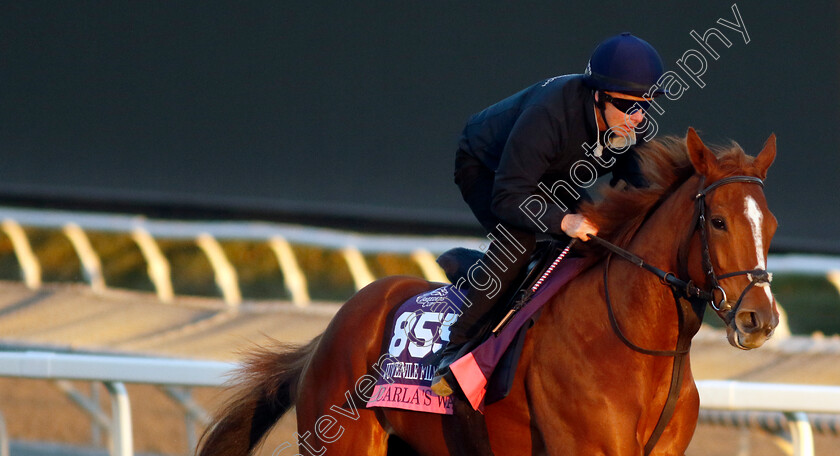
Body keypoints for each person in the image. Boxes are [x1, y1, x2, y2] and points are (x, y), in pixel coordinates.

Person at [431, 32, 667, 399]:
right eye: (627, 106)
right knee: (523, 241)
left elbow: (641, 185)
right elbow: (509, 196)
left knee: (594, 237)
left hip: (554, 174)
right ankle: (453, 352)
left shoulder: (631, 121)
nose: (637, 118)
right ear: (598, 95)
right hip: (490, 171)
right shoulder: (549, 115)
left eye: (645, 107)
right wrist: (563, 221)